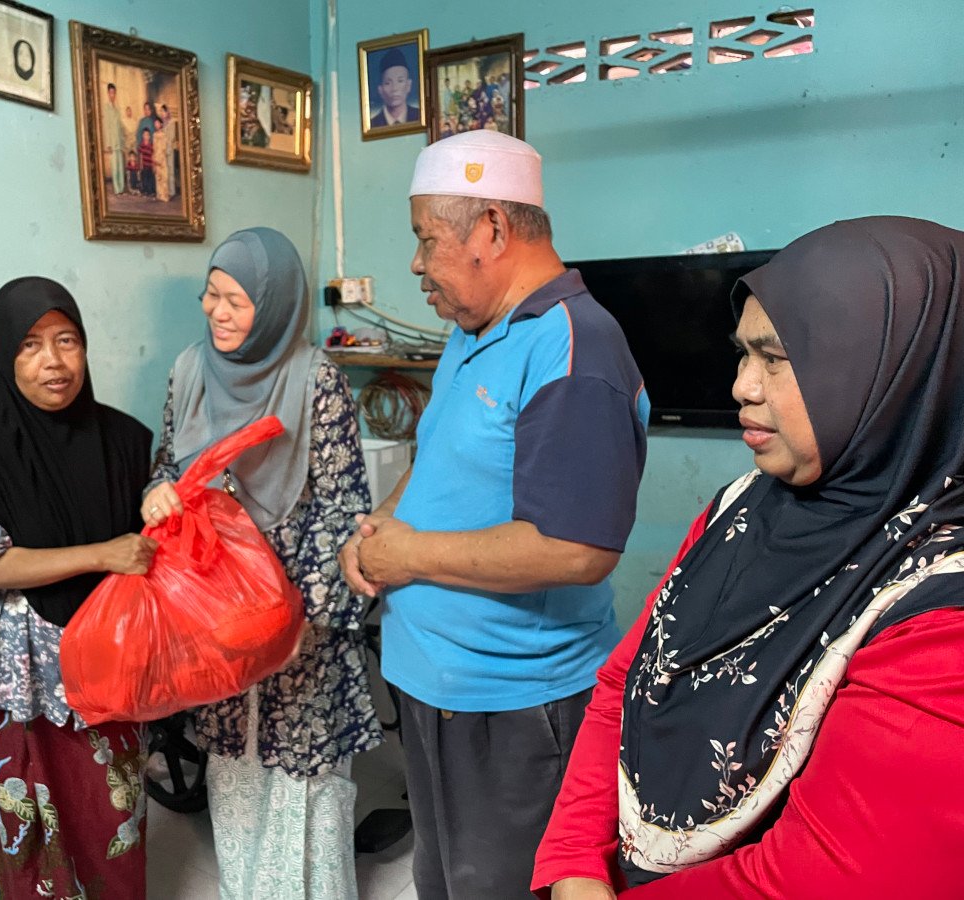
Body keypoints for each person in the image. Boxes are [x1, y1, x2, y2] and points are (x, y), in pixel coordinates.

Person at [533, 216, 964, 899]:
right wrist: (575, 860)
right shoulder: (740, 507)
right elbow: (625, 684)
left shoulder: (940, 609)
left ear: (894, 376)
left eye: (777, 358)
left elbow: (819, 877)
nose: (742, 385)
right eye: (743, 354)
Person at [339, 129, 650, 898]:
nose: (416, 264)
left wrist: (408, 556)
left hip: (512, 709)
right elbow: (437, 457)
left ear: (492, 230)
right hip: (433, 686)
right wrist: (376, 530)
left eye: (426, 239)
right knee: (444, 881)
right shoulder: (472, 331)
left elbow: (575, 549)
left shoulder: (575, 349)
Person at [141, 227, 382, 899]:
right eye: (210, 295)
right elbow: (168, 465)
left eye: (236, 301)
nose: (216, 312)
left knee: (303, 777)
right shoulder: (189, 371)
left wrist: (297, 621)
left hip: (300, 619)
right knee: (234, 768)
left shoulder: (316, 380)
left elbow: (343, 510)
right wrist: (157, 492)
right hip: (216, 612)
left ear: (273, 306)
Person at [0, 277, 156, 898]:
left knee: (112, 809)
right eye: (30, 345)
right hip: (23, 670)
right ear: (5, 353)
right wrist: (99, 555)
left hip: (107, 661)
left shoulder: (124, 439)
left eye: (67, 341)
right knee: (30, 811)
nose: (53, 362)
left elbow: (152, 544)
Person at [370, 46, 420, 127]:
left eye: (400, 81)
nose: (394, 88)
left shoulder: (420, 116)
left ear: (408, 85)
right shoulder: (373, 125)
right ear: (380, 89)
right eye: (388, 83)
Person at [101, 83, 128, 195]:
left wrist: (123, 142)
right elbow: (107, 125)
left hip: (119, 142)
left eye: (114, 93)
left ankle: (121, 188)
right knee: (115, 166)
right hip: (112, 142)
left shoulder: (117, 108)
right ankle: (117, 189)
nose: (112, 95)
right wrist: (108, 143)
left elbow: (120, 126)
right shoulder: (106, 108)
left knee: (120, 166)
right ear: (108, 93)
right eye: (111, 93)